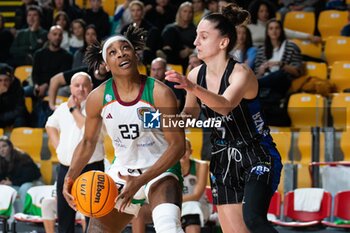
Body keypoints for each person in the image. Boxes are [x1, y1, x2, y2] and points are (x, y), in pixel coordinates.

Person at [165, 4, 282, 233]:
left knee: (254, 220)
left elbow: (225, 106)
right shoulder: (195, 74)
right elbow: (190, 114)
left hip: (257, 154)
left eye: (203, 36)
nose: (196, 42)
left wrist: (192, 87)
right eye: (196, 36)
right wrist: (164, 121)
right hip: (222, 158)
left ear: (223, 42)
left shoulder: (242, 74)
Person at [62, 26, 185, 233]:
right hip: (123, 171)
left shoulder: (160, 93)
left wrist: (140, 181)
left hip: (160, 170)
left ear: (135, 54)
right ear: (106, 65)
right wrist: (70, 176)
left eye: (125, 48)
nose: (121, 53)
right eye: (113, 52)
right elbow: (88, 142)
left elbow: (178, 146)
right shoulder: (98, 98)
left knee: (168, 227)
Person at [46, 72, 105, 233]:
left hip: (91, 168)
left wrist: (74, 109)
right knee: (65, 218)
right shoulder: (62, 108)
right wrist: (58, 146)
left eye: (85, 85)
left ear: (91, 87)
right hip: (66, 168)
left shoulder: (96, 106)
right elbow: (50, 124)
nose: (81, 89)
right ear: (70, 88)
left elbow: (88, 130)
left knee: (93, 217)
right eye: (77, 85)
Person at [132, 138, 210, 233]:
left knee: (192, 208)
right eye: (181, 149)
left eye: (185, 149)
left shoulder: (201, 165)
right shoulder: (165, 165)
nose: (183, 153)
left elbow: (196, 195)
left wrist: (166, 202)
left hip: (196, 205)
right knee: (138, 211)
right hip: (171, 202)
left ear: (191, 151)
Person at [0, 136, 41, 211]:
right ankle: (6, 218)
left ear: (10, 147)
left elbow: (29, 176)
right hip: (16, 185)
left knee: (25, 187)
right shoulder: (1, 161)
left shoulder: (22, 157)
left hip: (33, 183)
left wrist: (11, 182)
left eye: (4, 146)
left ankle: (25, 216)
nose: (1, 150)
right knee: (4, 189)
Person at [0, 63, 29, 128]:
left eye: (6, 80)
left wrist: (2, 117)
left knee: (20, 119)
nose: (3, 83)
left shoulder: (17, 87)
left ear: (11, 80)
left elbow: (20, 110)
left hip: (13, 117)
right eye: (0, 80)